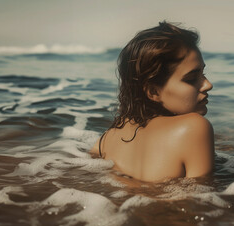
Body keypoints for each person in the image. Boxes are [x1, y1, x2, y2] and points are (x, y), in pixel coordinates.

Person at [90, 21, 214, 182]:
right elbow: (204, 201)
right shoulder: (194, 127)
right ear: (153, 92)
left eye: (203, 74)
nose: (208, 85)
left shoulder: (107, 138)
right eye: (191, 78)